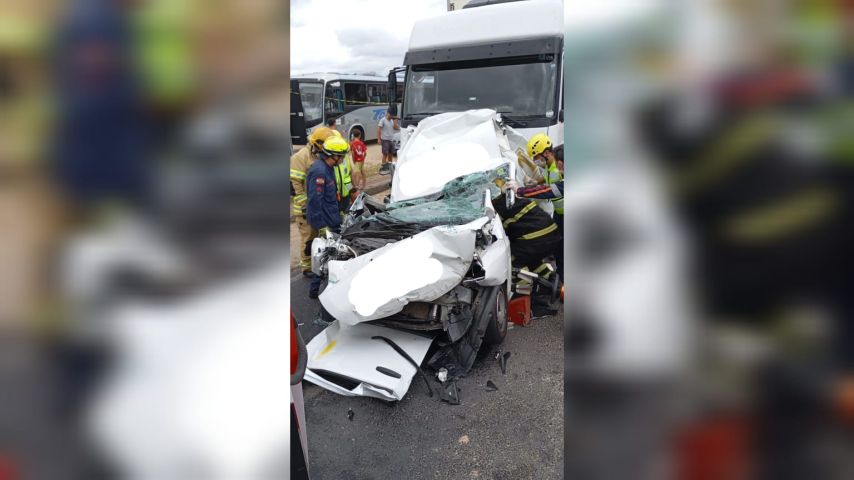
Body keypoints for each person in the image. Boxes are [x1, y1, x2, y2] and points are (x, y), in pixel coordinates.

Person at [305, 135, 349, 298]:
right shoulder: (320, 171)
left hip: (332, 216)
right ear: (333, 155)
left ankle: (323, 286)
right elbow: (315, 201)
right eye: (342, 156)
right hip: (326, 221)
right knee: (328, 254)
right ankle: (314, 290)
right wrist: (321, 226)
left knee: (333, 252)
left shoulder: (328, 168)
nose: (343, 159)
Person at [291, 127, 337, 275]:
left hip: (319, 207)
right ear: (318, 144)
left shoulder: (320, 156)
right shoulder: (300, 158)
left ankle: (318, 263)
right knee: (308, 238)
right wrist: (307, 206)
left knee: (320, 237)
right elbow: (294, 186)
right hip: (305, 209)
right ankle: (306, 267)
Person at [525, 133, 564, 234]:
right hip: (558, 212)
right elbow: (547, 175)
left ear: (546, 153)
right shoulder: (548, 165)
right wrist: (536, 182)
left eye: (536, 157)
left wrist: (522, 191)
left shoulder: (560, 168)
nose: (534, 161)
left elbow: (552, 189)